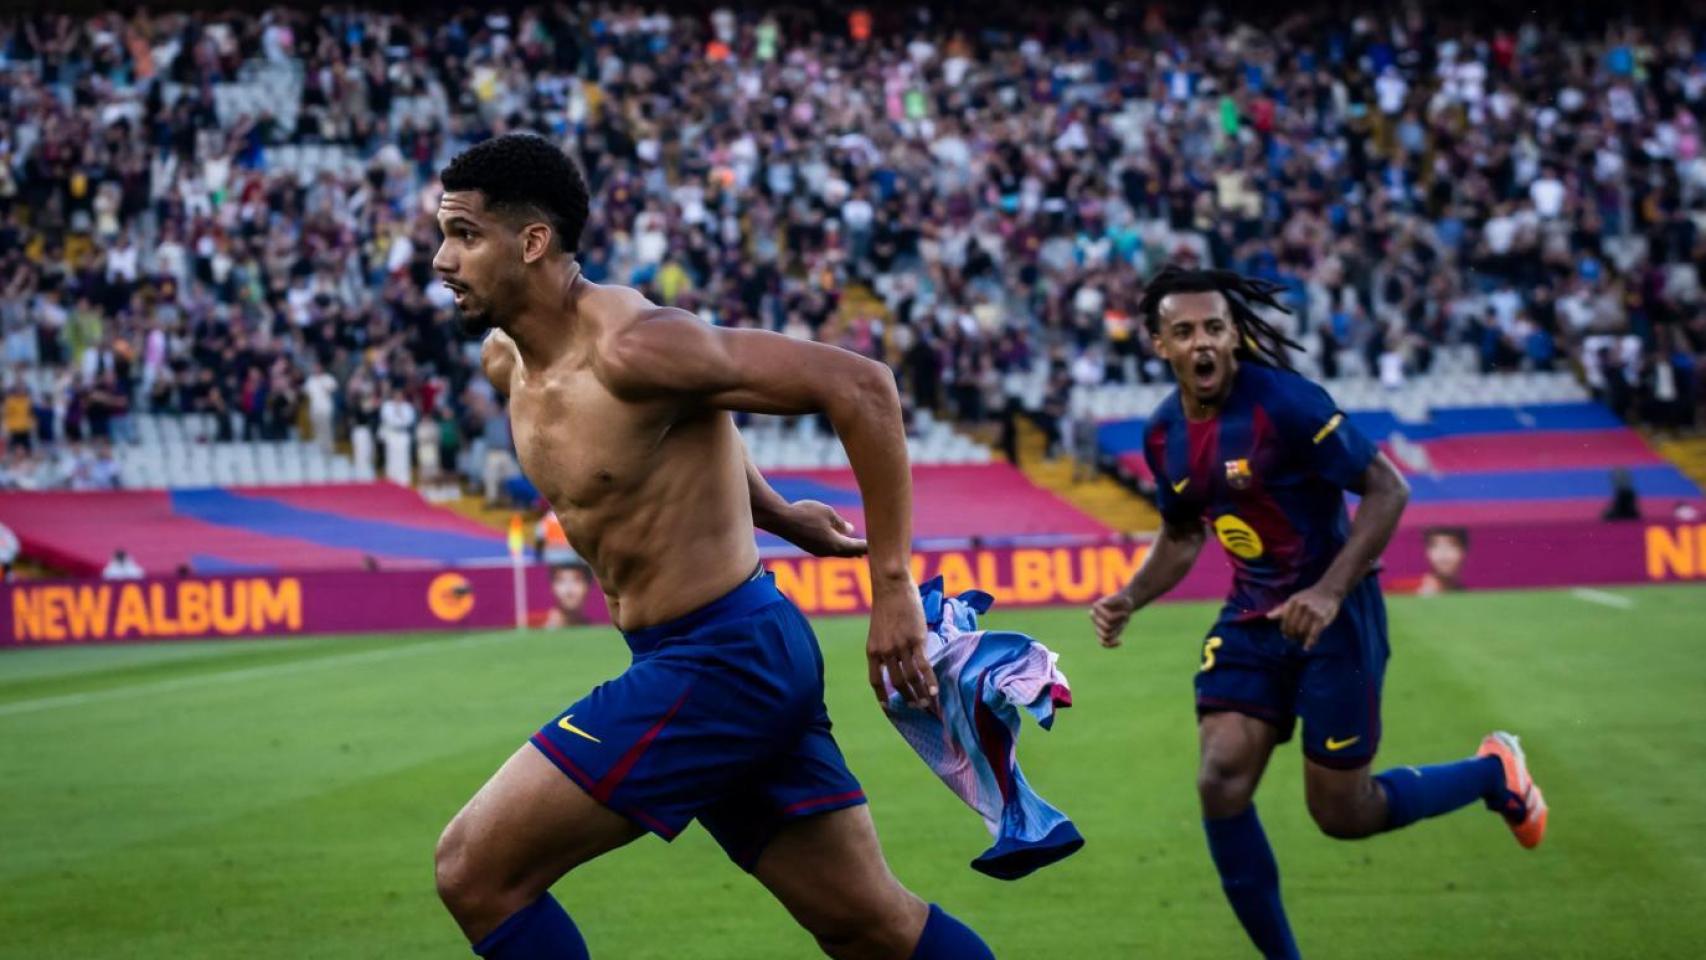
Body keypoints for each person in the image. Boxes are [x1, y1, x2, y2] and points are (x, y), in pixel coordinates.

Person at [428, 133, 993, 960]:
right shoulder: (504, 361)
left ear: (533, 242)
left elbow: (861, 385)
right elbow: (684, 425)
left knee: (474, 870)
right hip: (722, 656)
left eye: (465, 235)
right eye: (442, 234)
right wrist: (778, 512)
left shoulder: (633, 346)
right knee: (870, 927)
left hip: (723, 661)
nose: (443, 258)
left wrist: (893, 584)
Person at [1089, 267, 1547, 960]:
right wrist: (1132, 595)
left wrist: (1330, 591)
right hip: (1252, 617)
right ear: (1159, 346)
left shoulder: (1288, 406)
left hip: (1338, 617)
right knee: (1220, 776)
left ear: (1234, 334)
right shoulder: (1164, 436)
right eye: (1184, 332)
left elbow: (1387, 490)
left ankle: (1494, 773)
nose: (1203, 342)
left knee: (1342, 813)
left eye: (1214, 327)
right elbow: (1184, 535)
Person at [540, 561, 593, 628]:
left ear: (587, 586)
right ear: (552, 587)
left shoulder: (594, 629)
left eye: (577, 580)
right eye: (561, 580)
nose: (569, 591)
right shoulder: (534, 625)